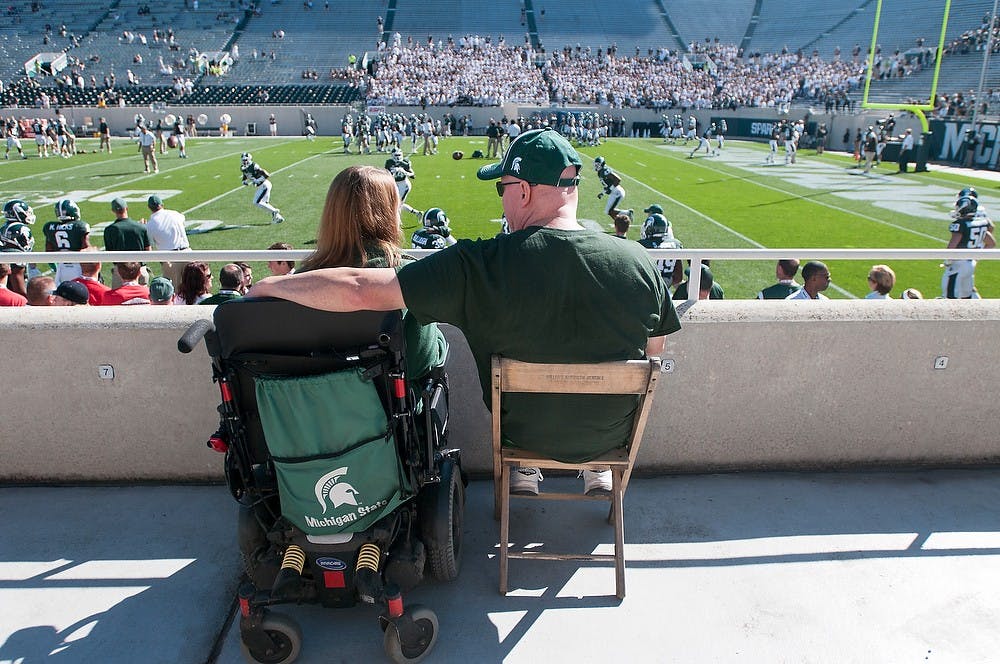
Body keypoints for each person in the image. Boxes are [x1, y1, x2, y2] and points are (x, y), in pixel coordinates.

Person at [248, 128, 679, 497]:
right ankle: (596, 466)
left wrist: (272, 285)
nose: (503, 199)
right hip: (610, 436)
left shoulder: (477, 265)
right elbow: (652, 355)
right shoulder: (638, 260)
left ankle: (524, 467)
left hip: (521, 435)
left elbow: (362, 288)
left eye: (502, 188)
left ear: (524, 191)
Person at [295, 165, 448, 380]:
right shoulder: (409, 275)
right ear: (388, 213)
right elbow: (422, 362)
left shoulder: (299, 280)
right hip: (387, 407)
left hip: (316, 408)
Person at [942, 194, 995, 298]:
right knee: (967, 296)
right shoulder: (981, 223)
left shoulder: (961, 224)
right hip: (970, 264)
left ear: (964, 208)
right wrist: (976, 256)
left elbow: (952, 246)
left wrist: (947, 260)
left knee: (949, 296)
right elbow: (991, 243)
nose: (956, 209)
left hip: (958, 264)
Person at [103, 198, 151, 287]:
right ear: (126, 208)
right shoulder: (141, 227)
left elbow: (109, 254)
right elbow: (148, 250)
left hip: (120, 272)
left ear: (113, 211)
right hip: (140, 269)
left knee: (119, 299)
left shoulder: (110, 230)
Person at [145, 194, 190, 286]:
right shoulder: (175, 214)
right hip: (187, 253)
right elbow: (182, 219)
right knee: (192, 288)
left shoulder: (150, 224)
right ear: (162, 204)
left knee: (174, 292)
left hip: (169, 258)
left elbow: (151, 246)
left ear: (149, 208)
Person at [43, 198, 91, 284]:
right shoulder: (80, 226)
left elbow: (49, 251)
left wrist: (55, 267)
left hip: (62, 267)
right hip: (78, 267)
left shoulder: (50, 227)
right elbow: (86, 249)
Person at [240, 152, 284, 223]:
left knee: (256, 202)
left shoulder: (254, 166)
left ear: (249, 159)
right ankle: (278, 218)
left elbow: (266, 174)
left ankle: (274, 211)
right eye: (243, 160)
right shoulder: (243, 167)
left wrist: (257, 180)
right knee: (265, 203)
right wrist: (244, 181)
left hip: (264, 185)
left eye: (245, 160)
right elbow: (245, 173)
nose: (244, 161)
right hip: (262, 186)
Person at [385, 147, 421, 218]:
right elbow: (385, 175)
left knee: (397, 204)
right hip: (394, 184)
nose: (398, 157)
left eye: (399, 155)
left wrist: (404, 172)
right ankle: (417, 213)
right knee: (395, 203)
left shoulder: (405, 163)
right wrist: (391, 173)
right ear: (392, 155)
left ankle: (397, 222)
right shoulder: (389, 162)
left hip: (404, 185)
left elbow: (413, 176)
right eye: (396, 155)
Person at [594, 156, 631, 222]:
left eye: (598, 165)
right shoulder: (600, 172)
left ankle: (625, 216)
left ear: (602, 164)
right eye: (595, 165)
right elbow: (607, 185)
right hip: (614, 192)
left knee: (610, 211)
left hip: (617, 192)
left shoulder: (605, 171)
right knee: (608, 211)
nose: (596, 166)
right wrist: (602, 193)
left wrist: (610, 189)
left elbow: (618, 179)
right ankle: (622, 220)